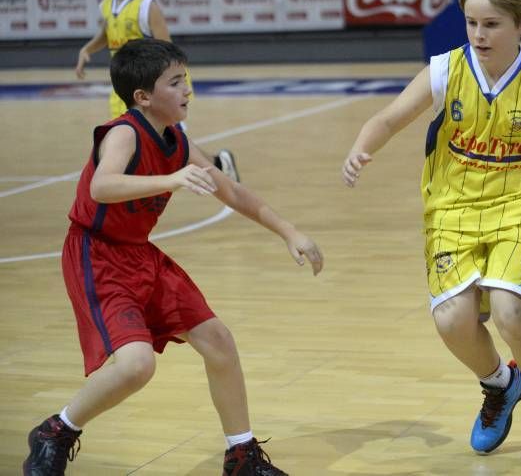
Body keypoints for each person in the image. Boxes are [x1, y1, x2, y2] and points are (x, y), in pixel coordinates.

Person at [342, 0, 521, 474]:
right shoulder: (445, 70)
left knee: (512, 311)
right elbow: (387, 118)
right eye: (472, 22)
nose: (479, 34)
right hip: (451, 209)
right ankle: (499, 384)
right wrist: (362, 147)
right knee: (452, 321)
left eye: (491, 24)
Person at [23, 39, 323, 476]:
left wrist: (289, 231)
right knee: (137, 366)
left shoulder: (177, 140)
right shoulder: (125, 132)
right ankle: (56, 430)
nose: (187, 90)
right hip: (97, 254)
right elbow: (101, 187)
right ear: (143, 96)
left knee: (218, 340)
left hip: (139, 254)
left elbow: (231, 191)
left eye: (186, 79)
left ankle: (241, 457)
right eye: (176, 82)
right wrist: (172, 178)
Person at [74, 0, 240, 182]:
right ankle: (129, 183)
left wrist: (176, 85)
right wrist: (86, 50)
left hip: (154, 87)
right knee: (125, 137)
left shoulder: (147, 6)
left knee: (175, 142)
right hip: (124, 87)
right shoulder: (107, 5)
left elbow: (168, 49)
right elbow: (106, 34)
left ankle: (218, 166)